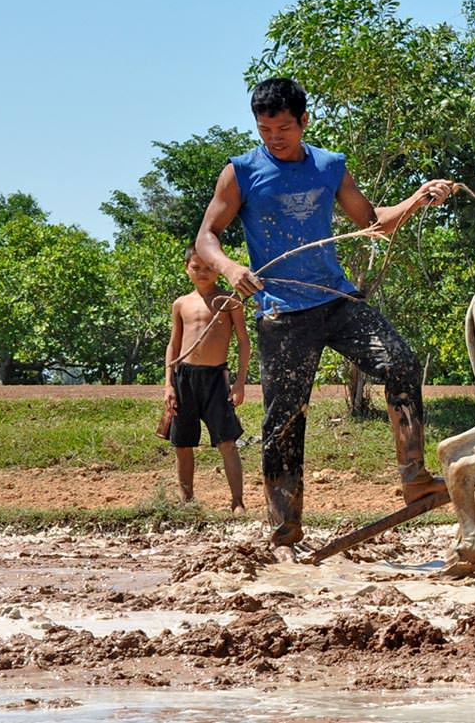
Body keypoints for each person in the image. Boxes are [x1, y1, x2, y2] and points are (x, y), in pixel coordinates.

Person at [193, 77, 458, 560]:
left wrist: (418, 198)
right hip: (282, 313)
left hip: (334, 300)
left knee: (399, 361)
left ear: (304, 122)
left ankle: (416, 479)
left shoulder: (330, 166)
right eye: (265, 129)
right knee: (284, 421)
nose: (275, 138)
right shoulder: (241, 173)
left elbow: (372, 221)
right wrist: (231, 268)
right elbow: (207, 236)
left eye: (284, 128)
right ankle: (284, 535)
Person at [160, 245, 249, 512]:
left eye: (209, 267)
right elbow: (173, 345)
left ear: (219, 270)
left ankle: (237, 502)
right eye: (196, 267)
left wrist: (240, 382)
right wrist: (168, 384)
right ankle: (187, 501)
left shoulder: (229, 301)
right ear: (187, 268)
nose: (202, 272)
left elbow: (243, 341)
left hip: (215, 379)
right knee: (183, 443)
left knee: (227, 442)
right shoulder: (181, 304)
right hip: (184, 378)